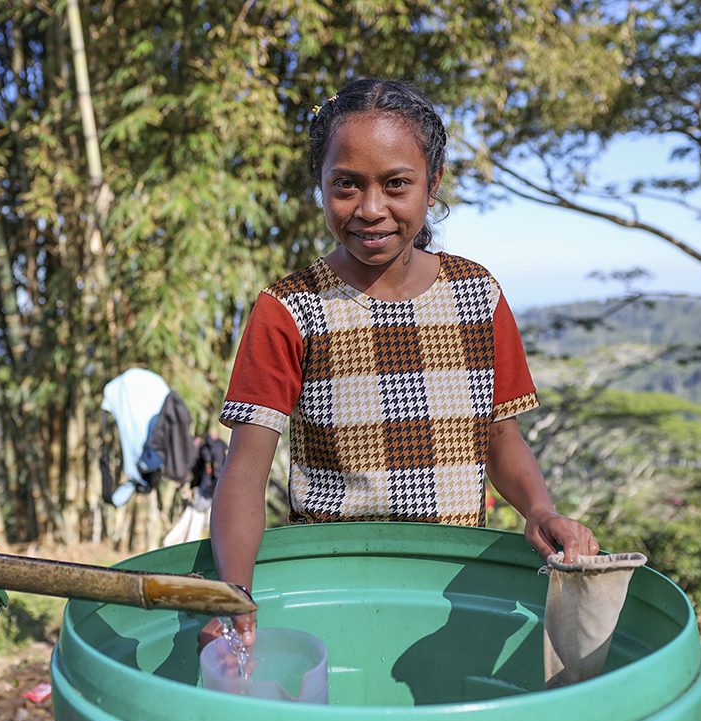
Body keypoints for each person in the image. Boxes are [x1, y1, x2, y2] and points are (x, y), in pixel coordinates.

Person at [201, 78, 598, 648]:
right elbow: (245, 468)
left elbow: (499, 435)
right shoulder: (288, 309)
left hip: (454, 586)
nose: (370, 209)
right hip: (332, 581)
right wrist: (232, 591)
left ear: (431, 184)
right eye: (346, 185)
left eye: (396, 184)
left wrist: (538, 508)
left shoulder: (477, 295)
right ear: (319, 184)